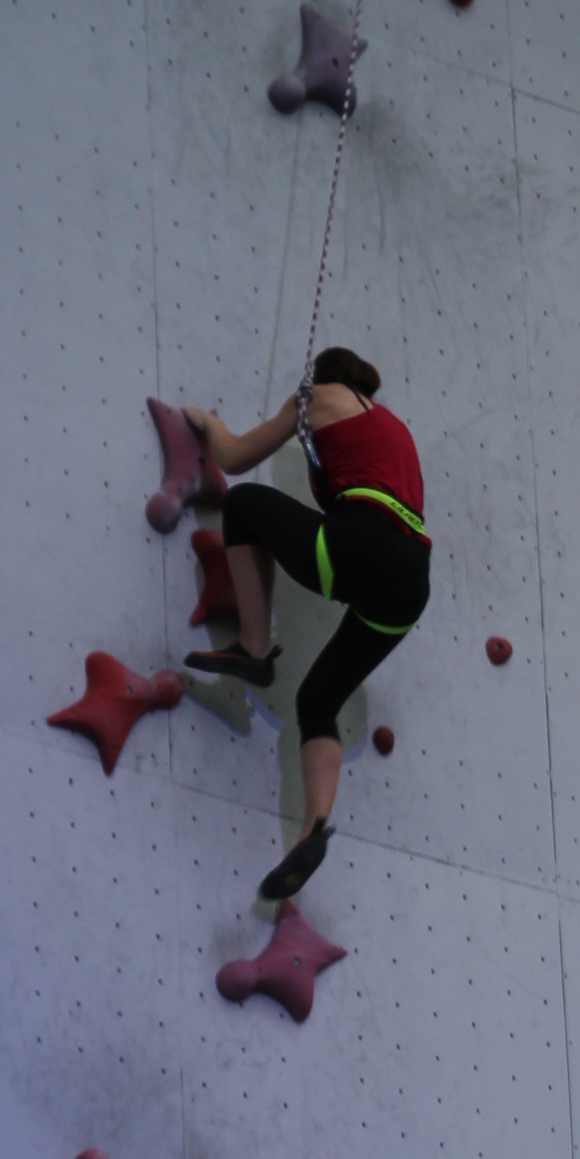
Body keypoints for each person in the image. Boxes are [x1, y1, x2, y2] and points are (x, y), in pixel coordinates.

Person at [182, 349, 430, 901]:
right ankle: (312, 829)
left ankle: (252, 644)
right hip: (411, 583)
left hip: (360, 546)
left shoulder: (315, 397)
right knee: (318, 701)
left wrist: (208, 424)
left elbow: (236, 457)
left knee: (243, 504)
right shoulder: (394, 430)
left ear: (321, 376)